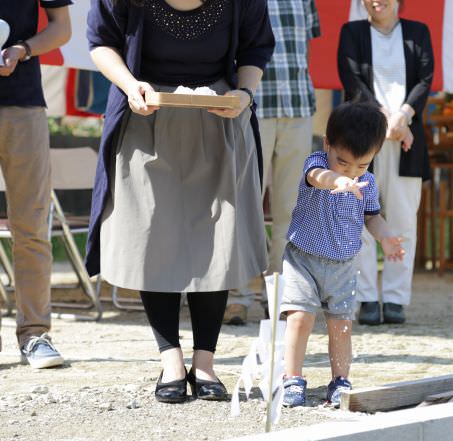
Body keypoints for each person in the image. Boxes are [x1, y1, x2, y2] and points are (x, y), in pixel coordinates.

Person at [86, 0, 274, 403]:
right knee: (154, 236)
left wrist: (244, 92)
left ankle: (205, 362)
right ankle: (169, 359)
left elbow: (256, 48)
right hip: (145, 114)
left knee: (217, 238)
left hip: (218, 118)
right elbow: (101, 42)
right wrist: (127, 84)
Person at [280, 102, 405, 408]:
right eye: (344, 162)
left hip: (344, 265)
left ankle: (339, 380)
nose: (352, 171)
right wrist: (337, 180)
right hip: (302, 259)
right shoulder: (317, 163)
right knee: (300, 318)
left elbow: (371, 217)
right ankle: (292, 378)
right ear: (328, 143)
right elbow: (317, 177)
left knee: (341, 324)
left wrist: (386, 238)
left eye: (362, 165)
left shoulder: (368, 182)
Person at [224, 0, 321, 326]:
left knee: (291, 213)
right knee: (243, 205)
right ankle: (237, 297)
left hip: (298, 107)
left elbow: (305, 47)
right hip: (253, 109)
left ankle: (280, 296)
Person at [337, 0, 434, 325]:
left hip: (406, 139)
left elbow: (425, 79)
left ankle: (395, 298)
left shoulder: (418, 33)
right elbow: (352, 81)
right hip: (365, 138)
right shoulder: (352, 33)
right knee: (360, 218)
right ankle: (365, 298)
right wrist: (385, 120)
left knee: (403, 219)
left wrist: (403, 117)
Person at [0, 1, 72, 368]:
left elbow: (62, 28)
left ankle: (35, 334)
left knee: (31, 224)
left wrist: (22, 49)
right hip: (22, 105)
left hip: (23, 102)